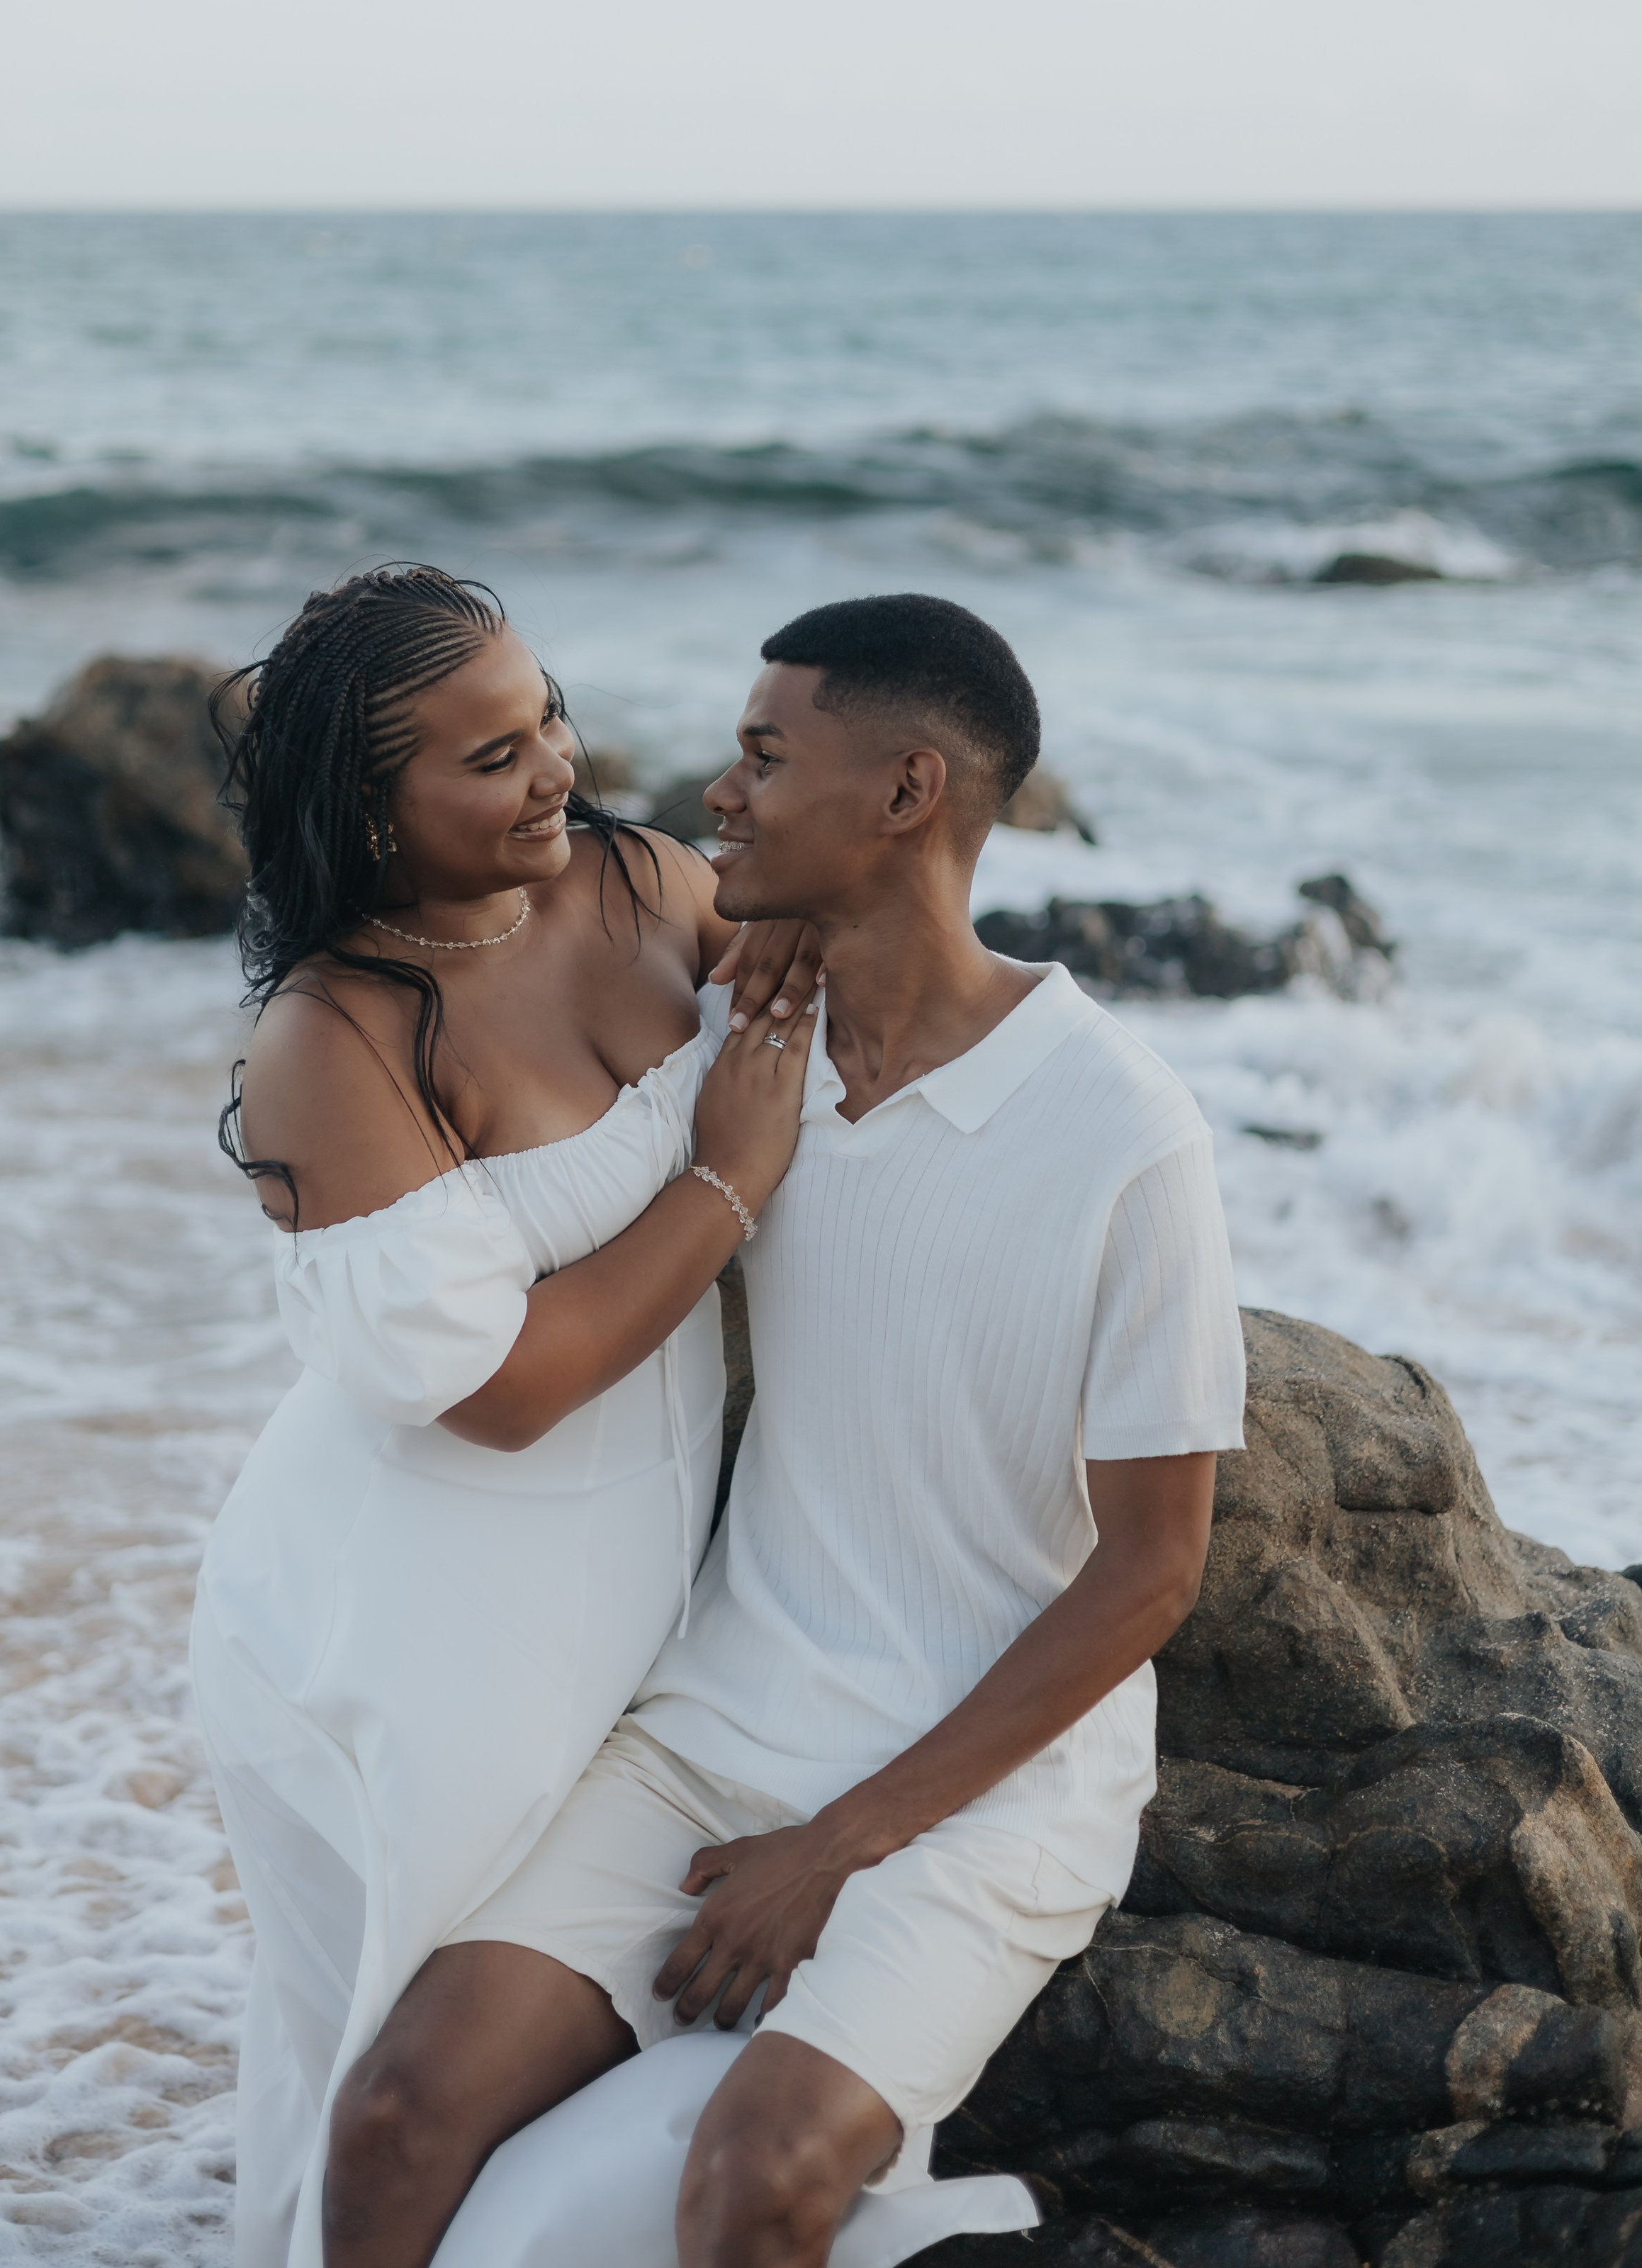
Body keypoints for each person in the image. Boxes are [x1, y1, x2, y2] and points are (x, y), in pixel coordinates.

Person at [322, 591, 1248, 2268]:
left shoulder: (1123, 1132)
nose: (717, 791)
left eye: (761, 756)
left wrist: (835, 1846)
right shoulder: (741, 1043)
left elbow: (1151, 1571)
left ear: (904, 792)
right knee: (393, 2113)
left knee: (751, 2179)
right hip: (717, 1721)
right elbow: (487, 974)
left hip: (988, 1789)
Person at [189, 563, 821, 2268]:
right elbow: (503, 1389)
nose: (554, 769)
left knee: (498, 2054)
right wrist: (725, 1181)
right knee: (395, 2056)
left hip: (637, 1571)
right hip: (409, 1620)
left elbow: (820, 1017)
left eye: (546, 718)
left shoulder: (640, 880)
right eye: (489, 759)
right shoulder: (334, 1037)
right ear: (368, 811)